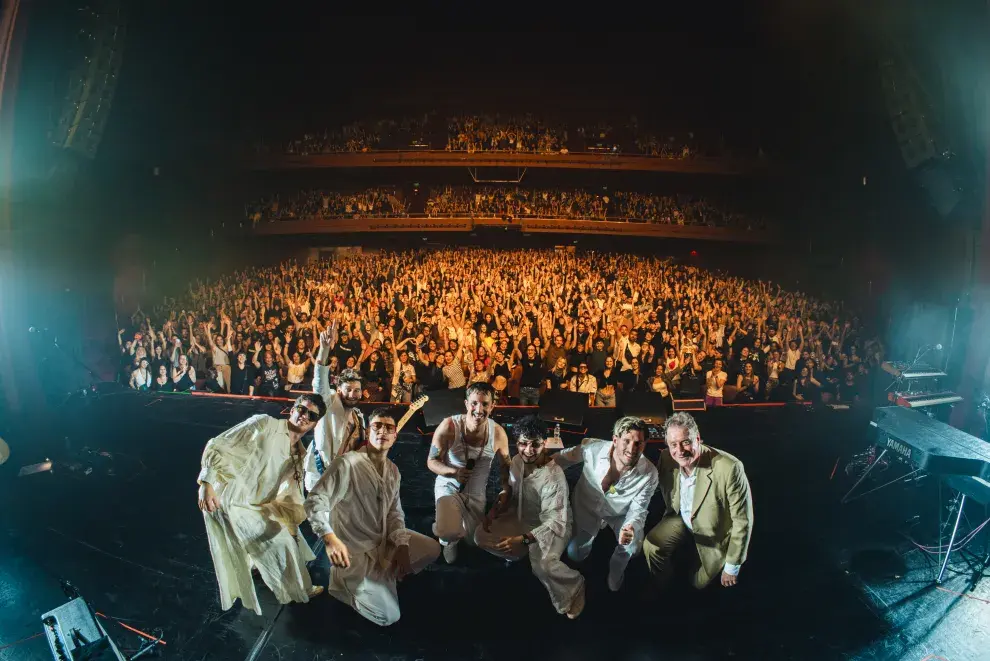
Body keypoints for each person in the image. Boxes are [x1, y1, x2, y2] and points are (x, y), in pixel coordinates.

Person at [305, 407, 440, 626]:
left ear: (395, 436)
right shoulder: (347, 464)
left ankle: (385, 578)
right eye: (377, 426)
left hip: (382, 541)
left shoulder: (393, 470)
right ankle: (343, 586)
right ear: (368, 432)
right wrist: (329, 539)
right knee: (388, 617)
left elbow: (395, 512)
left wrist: (401, 545)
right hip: (354, 551)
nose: (382, 431)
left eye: (389, 428)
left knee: (431, 549)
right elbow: (314, 501)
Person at [196, 394, 328, 615]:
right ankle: (299, 590)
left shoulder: (299, 454)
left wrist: (290, 520)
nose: (304, 416)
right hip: (230, 499)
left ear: (315, 423)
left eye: (311, 415)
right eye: (301, 409)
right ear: (293, 409)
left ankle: (260, 564)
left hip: (256, 503)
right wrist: (206, 482)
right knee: (281, 541)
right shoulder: (265, 423)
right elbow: (219, 443)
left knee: (287, 534)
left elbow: (290, 492)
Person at [475, 415, 585, 619]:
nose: (528, 450)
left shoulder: (553, 476)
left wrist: (523, 540)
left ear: (544, 444)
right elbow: (510, 491)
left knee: (543, 566)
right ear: (516, 442)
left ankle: (574, 585)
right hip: (520, 516)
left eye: (535, 444)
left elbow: (555, 521)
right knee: (480, 535)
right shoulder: (517, 461)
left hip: (552, 527)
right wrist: (495, 509)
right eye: (523, 443)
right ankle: (517, 554)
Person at [643, 412, 753, 590]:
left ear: (698, 439)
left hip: (714, 533)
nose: (680, 451)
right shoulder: (666, 458)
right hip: (680, 518)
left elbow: (742, 521)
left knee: (698, 584)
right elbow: (653, 486)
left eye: (686, 442)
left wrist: (732, 567)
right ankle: (664, 589)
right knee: (652, 546)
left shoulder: (730, 467)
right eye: (673, 444)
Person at [553, 416, 658, 591]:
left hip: (619, 513)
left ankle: (616, 571)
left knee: (633, 548)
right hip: (586, 509)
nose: (632, 449)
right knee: (575, 553)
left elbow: (639, 508)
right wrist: (539, 471)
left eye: (638, 443)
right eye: (627, 441)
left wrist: (630, 526)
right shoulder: (592, 449)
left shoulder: (650, 473)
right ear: (615, 440)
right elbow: (561, 458)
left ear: (644, 444)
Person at [427, 382, 511, 563]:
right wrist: (454, 472)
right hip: (449, 486)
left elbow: (506, 467)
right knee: (449, 532)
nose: (479, 409)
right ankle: (448, 537)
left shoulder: (498, 433)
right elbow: (431, 461)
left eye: (485, 404)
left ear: (492, 406)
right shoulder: (449, 425)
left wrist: (506, 489)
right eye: (474, 403)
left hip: (476, 494)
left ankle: (456, 525)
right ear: (466, 404)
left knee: (474, 541)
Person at [305, 323, 365, 491]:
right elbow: (319, 382)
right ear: (339, 390)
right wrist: (324, 350)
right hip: (321, 479)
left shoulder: (359, 418)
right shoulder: (329, 402)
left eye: (357, 390)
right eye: (348, 389)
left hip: (346, 482)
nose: (352, 394)